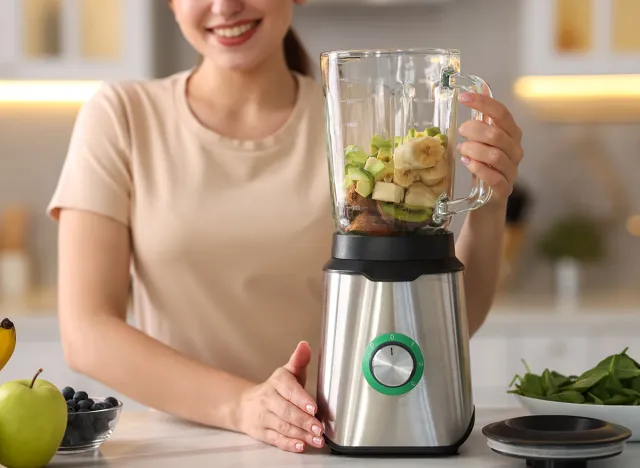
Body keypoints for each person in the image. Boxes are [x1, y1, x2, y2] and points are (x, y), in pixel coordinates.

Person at [47, 0, 524, 455]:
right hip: (180, 447)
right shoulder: (122, 115)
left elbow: (444, 320)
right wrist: (243, 406)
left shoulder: (355, 127)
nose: (226, 6)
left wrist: (489, 198)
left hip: (339, 439)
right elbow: (88, 333)